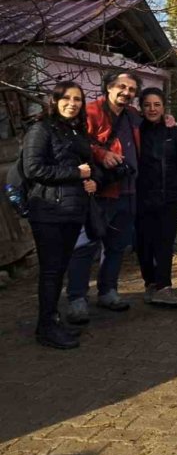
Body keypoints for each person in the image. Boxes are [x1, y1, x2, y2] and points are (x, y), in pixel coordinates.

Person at [22, 81, 99, 348]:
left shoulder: (75, 131)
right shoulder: (40, 129)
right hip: (48, 212)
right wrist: (77, 174)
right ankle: (45, 328)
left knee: (59, 270)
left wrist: (91, 180)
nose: (72, 103)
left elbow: (87, 167)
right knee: (51, 271)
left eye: (77, 99)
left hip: (72, 211)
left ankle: (52, 320)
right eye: (66, 98)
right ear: (54, 101)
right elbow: (33, 169)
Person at [66, 69, 143, 324]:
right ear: (108, 87)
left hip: (128, 190)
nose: (126, 92)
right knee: (85, 245)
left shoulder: (133, 116)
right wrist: (101, 154)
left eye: (132, 89)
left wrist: (168, 119)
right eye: (121, 87)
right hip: (99, 192)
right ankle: (77, 299)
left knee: (117, 246)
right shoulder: (90, 112)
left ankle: (108, 291)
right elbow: (74, 143)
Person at [135, 88, 177, 308]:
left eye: (156, 104)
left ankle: (164, 286)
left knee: (165, 243)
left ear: (163, 107)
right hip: (141, 196)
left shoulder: (173, 132)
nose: (152, 109)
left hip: (168, 196)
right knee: (143, 243)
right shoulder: (135, 129)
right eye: (147, 105)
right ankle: (150, 282)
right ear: (141, 107)